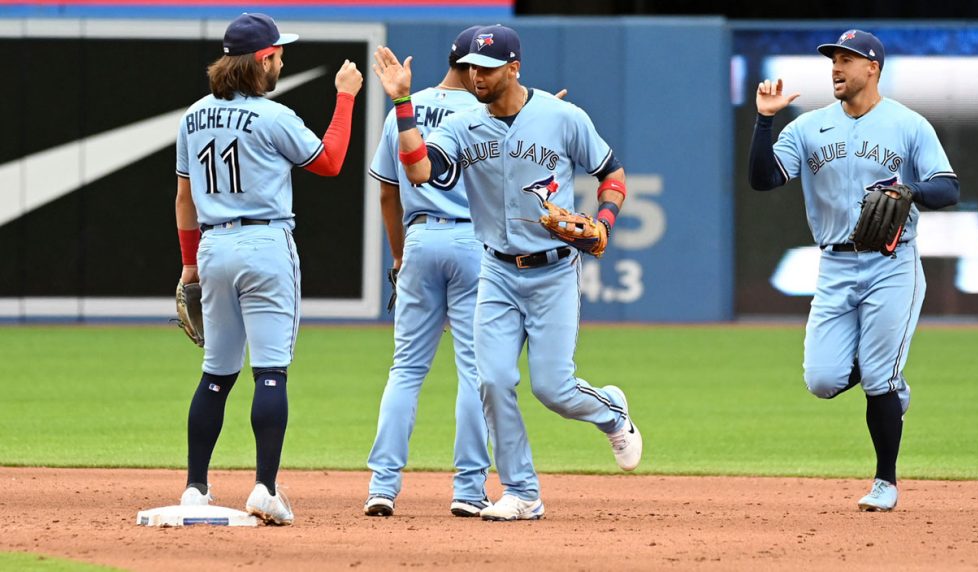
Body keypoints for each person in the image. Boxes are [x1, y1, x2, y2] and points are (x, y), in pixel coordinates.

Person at [371, 24, 643, 522]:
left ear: (514, 68)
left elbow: (612, 173)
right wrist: (402, 103)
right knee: (491, 382)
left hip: (553, 271)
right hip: (494, 269)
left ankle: (611, 412)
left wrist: (604, 221)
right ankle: (521, 491)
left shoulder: (563, 117)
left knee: (552, 389)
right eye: (472, 67)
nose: (478, 76)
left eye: (489, 69)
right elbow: (417, 171)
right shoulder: (462, 126)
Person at [748, 29, 959, 511]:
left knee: (878, 377)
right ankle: (890, 380)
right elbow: (763, 180)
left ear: (873, 68)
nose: (837, 68)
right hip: (835, 265)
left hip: (892, 262)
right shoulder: (807, 127)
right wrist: (764, 122)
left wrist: (911, 191)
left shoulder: (908, 125)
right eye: (834, 60)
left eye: (848, 59)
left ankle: (885, 482)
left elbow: (947, 188)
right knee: (822, 380)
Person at [173, 12, 363, 525]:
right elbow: (330, 162)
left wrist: (190, 264)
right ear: (263, 60)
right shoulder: (272, 116)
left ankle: (194, 487)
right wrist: (345, 97)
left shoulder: (193, 116)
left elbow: (184, 198)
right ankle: (265, 488)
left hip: (213, 247)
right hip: (264, 244)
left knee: (216, 373)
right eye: (279, 53)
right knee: (271, 372)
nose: (282, 60)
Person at [363, 26, 492, 519]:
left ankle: (382, 485)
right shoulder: (488, 113)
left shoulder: (407, 105)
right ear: (476, 70)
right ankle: (468, 490)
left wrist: (398, 257)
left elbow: (387, 191)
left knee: (406, 369)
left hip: (419, 239)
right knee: (475, 371)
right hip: (474, 243)